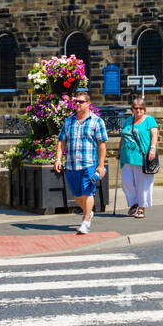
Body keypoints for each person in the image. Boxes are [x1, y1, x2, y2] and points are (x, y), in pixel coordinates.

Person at [54, 91, 108, 235]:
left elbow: (102, 144)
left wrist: (101, 165)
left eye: (80, 102)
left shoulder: (96, 121)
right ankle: (88, 212)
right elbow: (61, 141)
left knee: (88, 192)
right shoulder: (69, 121)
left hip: (89, 165)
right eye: (76, 101)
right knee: (77, 195)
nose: (77, 104)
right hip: (72, 165)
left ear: (88, 104)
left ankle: (85, 222)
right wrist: (58, 158)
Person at [118, 97, 159, 219]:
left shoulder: (149, 120)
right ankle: (134, 202)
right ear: (132, 109)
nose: (138, 110)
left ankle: (141, 207)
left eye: (141, 108)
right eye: (136, 108)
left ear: (144, 109)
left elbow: (154, 134)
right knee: (126, 182)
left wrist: (152, 148)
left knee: (143, 184)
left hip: (142, 157)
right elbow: (123, 136)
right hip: (127, 157)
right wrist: (119, 150)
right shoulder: (128, 120)